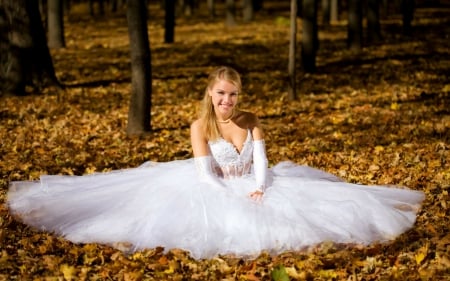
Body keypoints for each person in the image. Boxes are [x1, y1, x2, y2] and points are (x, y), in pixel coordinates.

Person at [7, 66, 425, 260]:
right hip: (211, 186)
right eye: (221, 94)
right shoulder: (198, 126)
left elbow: (262, 161)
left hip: (255, 182)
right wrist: (233, 197)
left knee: (319, 211)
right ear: (210, 95)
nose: (227, 101)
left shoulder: (251, 121)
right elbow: (205, 176)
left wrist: (260, 187)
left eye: (233, 95)